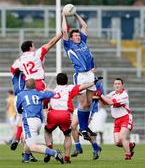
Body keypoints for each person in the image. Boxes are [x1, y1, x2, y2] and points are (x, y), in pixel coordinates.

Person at [10, 32, 63, 150]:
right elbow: (51, 43)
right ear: (30, 47)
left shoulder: (19, 61)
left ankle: (18, 139)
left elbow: (13, 70)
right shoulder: (36, 54)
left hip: (27, 88)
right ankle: (49, 146)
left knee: (25, 117)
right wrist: (61, 35)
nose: (35, 47)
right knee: (43, 114)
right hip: (38, 85)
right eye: (33, 46)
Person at [44, 73, 101, 163]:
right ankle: (67, 157)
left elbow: (45, 103)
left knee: (48, 131)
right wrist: (93, 82)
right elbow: (82, 87)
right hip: (66, 114)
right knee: (68, 135)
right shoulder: (70, 88)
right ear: (67, 81)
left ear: (56, 81)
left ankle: (49, 150)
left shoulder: (52, 91)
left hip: (53, 114)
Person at [62, 12, 96, 140]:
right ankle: (82, 128)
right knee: (82, 103)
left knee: (89, 103)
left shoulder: (83, 42)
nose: (77, 37)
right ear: (71, 38)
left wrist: (75, 14)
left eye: (78, 35)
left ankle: (84, 127)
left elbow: (84, 26)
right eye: (75, 35)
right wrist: (63, 16)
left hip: (90, 74)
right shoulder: (69, 45)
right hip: (80, 75)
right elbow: (64, 31)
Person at [16, 78, 64, 164]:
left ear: (25, 85)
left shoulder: (21, 94)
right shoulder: (39, 93)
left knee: (31, 146)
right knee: (27, 140)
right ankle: (26, 159)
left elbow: (19, 109)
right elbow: (53, 94)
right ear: (35, 86)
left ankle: (54, 153)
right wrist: (48, 90)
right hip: (38, 121)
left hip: (29, 121)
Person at [97, 78, 136, 160]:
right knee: (117, 142)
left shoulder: (124, 95)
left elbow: (110, 102)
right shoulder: (112, 93)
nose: (117, 85)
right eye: (115, 84)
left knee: (122, 137)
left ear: (122, 85)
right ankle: (130, 145)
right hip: (117, 120)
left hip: (126, 117)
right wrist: (98, 94)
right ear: (113, 85)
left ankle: (128, 155)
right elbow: (104, 101)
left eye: (119, 83)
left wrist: (101, 95)